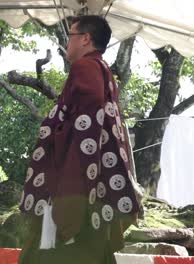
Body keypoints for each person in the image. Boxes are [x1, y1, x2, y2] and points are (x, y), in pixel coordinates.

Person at [18, 15, 140, 264]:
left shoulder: (86, 67)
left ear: (85, 39)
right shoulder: (103, 70)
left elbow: (87, 124)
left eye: (71, 36)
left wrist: (57, 132)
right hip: (93, 189)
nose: (67, 43)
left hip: (74, 188)